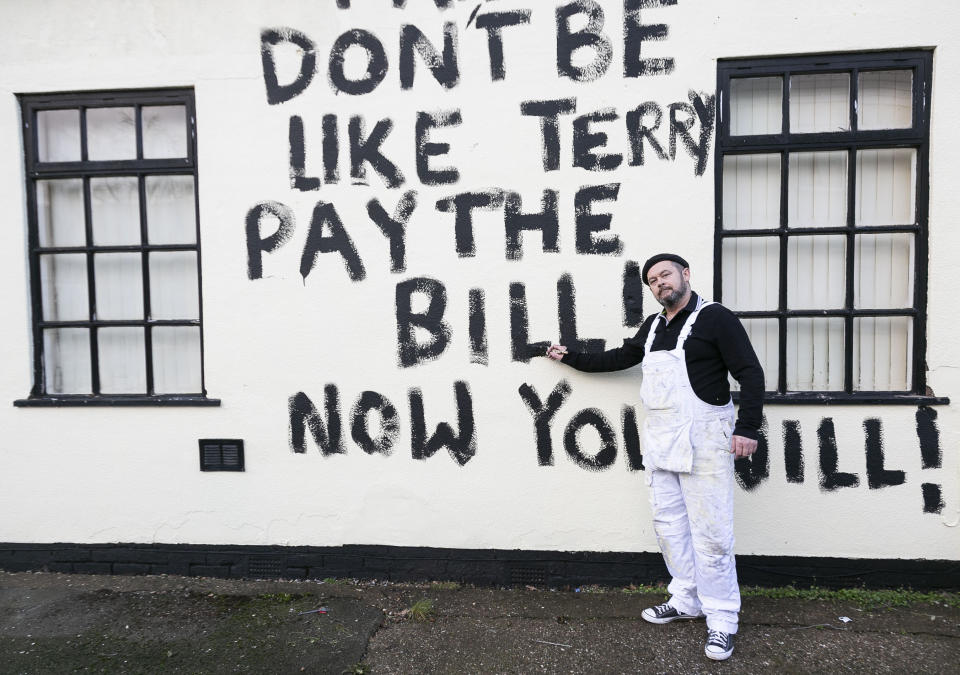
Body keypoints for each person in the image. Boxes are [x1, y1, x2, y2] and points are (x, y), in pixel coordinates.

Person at [545, 253, 764, 661]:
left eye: (666, 274)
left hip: (706, 440)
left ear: (685, 274)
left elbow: (750, 372)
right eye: (652, 280)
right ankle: (686, 598)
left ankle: (722, 619)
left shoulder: (716, 318)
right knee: (669, 526)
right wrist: (570, 356)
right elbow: (617, 359)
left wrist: (748, 428)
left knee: (711, 533)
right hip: (662, 440)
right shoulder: (652, 327)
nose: (660, 283)